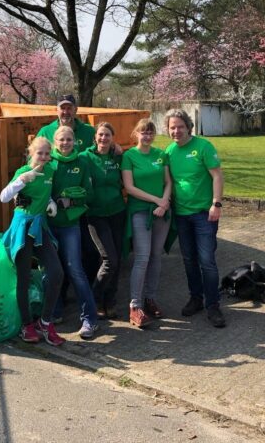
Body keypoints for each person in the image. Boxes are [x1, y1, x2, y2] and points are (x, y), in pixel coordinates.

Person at [0, 136, 66, 346]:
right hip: (23, 228)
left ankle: (45, 322)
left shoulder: (50, 172)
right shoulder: (23, 172)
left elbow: (43, 194)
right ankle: (26, 325)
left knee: (56, 273)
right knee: (24, 277)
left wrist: (51, 202)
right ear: (31, 153)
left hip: (40, 227)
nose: (44, 157)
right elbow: (3, 197)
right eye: (40, 153)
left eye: (47, 153)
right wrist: (21, 181)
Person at [164, 109, 226, 328]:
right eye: (172, 127)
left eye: (180, 126)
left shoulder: (203, 147)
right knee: (189, 260)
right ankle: (196, 298)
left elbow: (217, 175)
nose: (176, 131)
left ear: (188, 126)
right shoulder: (169, 151)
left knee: (207, 261)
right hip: (181, 215)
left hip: (204, 214)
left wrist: (216, 203)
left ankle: (213, 305)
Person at [48, 125, 99, 339]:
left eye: (69, 139)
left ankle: (90, 319)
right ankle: (54, 312)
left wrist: (72, 199)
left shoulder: (82, 163)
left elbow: (90, 194)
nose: (65, 143)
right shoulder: (47, 162)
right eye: (61, 139)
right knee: (50, 271)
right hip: (48, 225)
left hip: (70, 225)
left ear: (75, 141)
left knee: (75, 270)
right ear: (55, 141)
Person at [121, 119, 172, 328]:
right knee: (142, 257)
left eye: (150, 132)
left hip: (162, 212)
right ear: (136, 134)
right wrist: (156, 200)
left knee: (156, 256)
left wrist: (165, 202)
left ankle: (150, 298)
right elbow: (129, 187)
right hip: (141, 211)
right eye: (143, 132)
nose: (147, 136)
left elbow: (168, 182)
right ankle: (135, 305)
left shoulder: (162, 155)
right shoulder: (129, 156)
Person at [81, 122, 125, 319]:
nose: (103, 138)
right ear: (95, 137)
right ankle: (94, 298)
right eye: (100, 135)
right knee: (109, 260)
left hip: (117, 211)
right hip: (96, 215)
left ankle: (110, 300)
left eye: (107, 135)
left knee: (118, 259)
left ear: (112, 138)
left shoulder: (117, 157)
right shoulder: (86, 157)